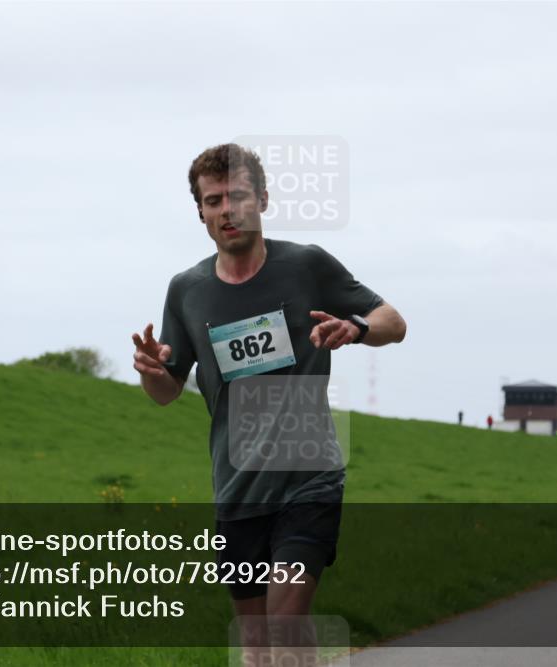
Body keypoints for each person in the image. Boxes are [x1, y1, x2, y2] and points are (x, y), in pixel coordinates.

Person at [131, 143, 407, 665]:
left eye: (237, 196)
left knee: (285, 627)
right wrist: (152, 372)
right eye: (213, 201)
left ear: (262, 199)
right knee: (257, 651)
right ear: (201, 213)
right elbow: (168, 391)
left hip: (309, 479)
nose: (226, 210)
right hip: (237, 488)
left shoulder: (306, 266)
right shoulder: (187, 290)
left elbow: (394, 321)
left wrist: (357, 327)